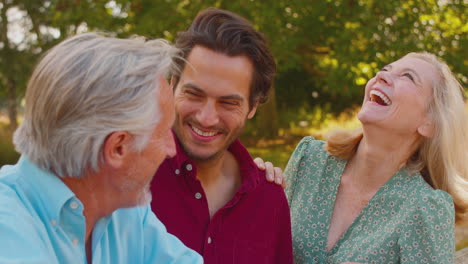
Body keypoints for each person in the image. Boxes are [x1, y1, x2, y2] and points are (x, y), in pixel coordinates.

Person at [0, 33, 202, 263]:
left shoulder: (123, 206)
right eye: (163, 132)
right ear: (117, 148)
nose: (172, 149)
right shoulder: (8, 229)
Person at [284, 51, 468, 263]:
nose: (381, 76)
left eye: (407, 76)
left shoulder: (425, 208)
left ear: (429, 123)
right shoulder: (309, 159)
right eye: (385, 70)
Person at [150, 7, 293, 264]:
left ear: (252, 107)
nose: (206, 118)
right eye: (194, 94)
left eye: (228, 103)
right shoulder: (130, 179)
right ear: (171, 86)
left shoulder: (269, 201)